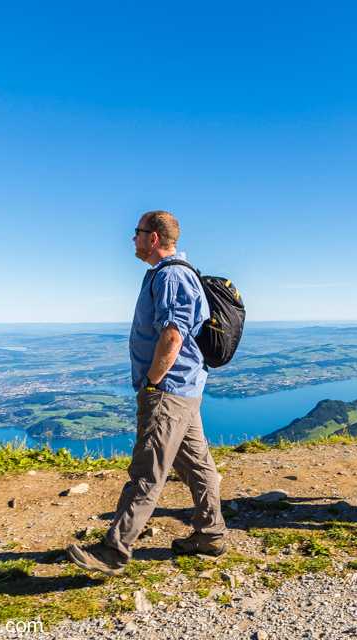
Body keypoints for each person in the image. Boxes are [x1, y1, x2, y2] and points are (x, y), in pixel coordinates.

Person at [66, 210, 227, 575]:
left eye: (137, 233)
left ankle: (114, 550)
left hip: (168, 390)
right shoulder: (168, 275)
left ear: (153, 237)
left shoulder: (170, 276)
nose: (132, 239)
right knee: (197, 465)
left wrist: (153, 381)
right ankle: (210, 535)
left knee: (147, 470)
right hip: (183, 389)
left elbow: (173, 334)